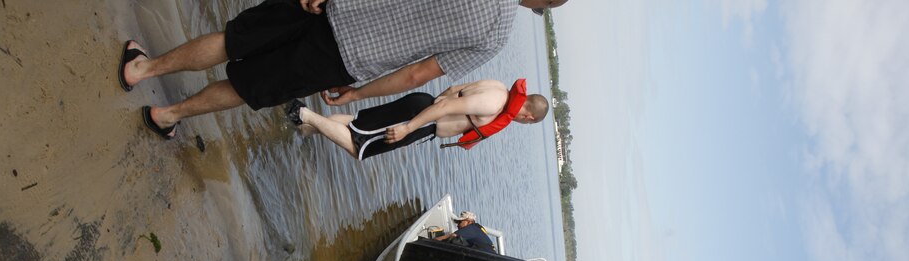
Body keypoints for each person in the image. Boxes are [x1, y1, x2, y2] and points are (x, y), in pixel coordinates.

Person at [116, 0, 570, 139]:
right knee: (248, 86)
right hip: (345, 58)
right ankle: (167, 116)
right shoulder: (494, 34)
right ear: (542, 6)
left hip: (331, 5)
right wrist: (357, 94)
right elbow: (419, 75)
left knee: (234, 39)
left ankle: (143, 68)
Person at [286, 78, 549, 162]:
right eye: (526, 122)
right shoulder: (495, 103)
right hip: (423, 119)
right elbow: (446, 106)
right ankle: (303, 113)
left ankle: (305, 130)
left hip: (422, 108)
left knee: (356, 122)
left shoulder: (498, 86)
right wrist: (409, 128)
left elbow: (451, 90)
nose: (522, 122)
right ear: (527, 116)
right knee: (360, 147)